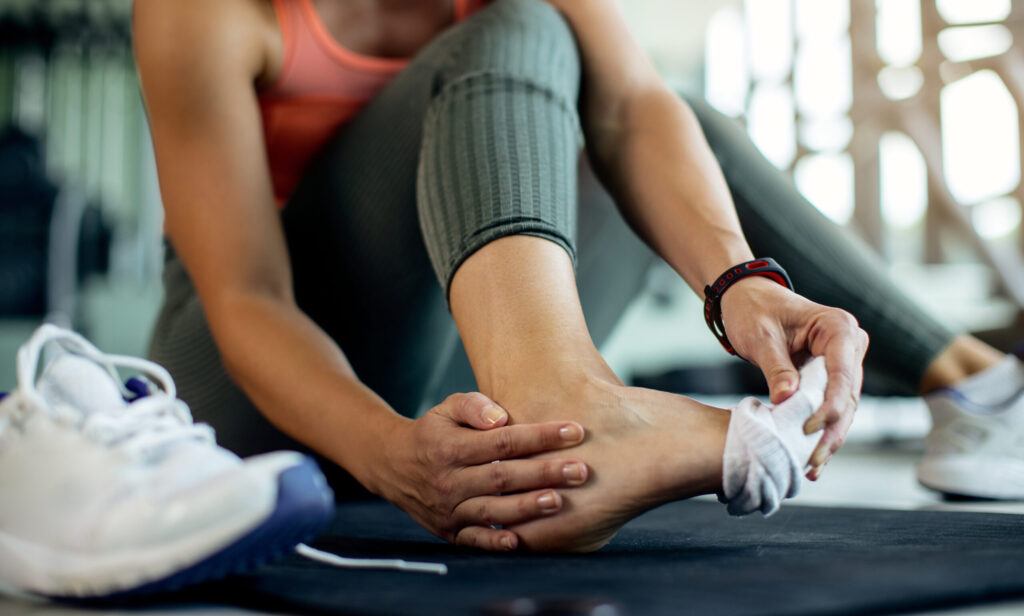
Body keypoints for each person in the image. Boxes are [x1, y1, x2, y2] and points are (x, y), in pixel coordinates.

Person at [133, 0, 1020, 552]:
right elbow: (247, 296)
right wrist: (390, 460)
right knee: (518, 23)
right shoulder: (205, 10)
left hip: (436, 357)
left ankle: (980, 394)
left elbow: (635, 111)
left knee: (667, 116)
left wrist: (742, 283)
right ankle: (564, 397)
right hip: (253, 391)